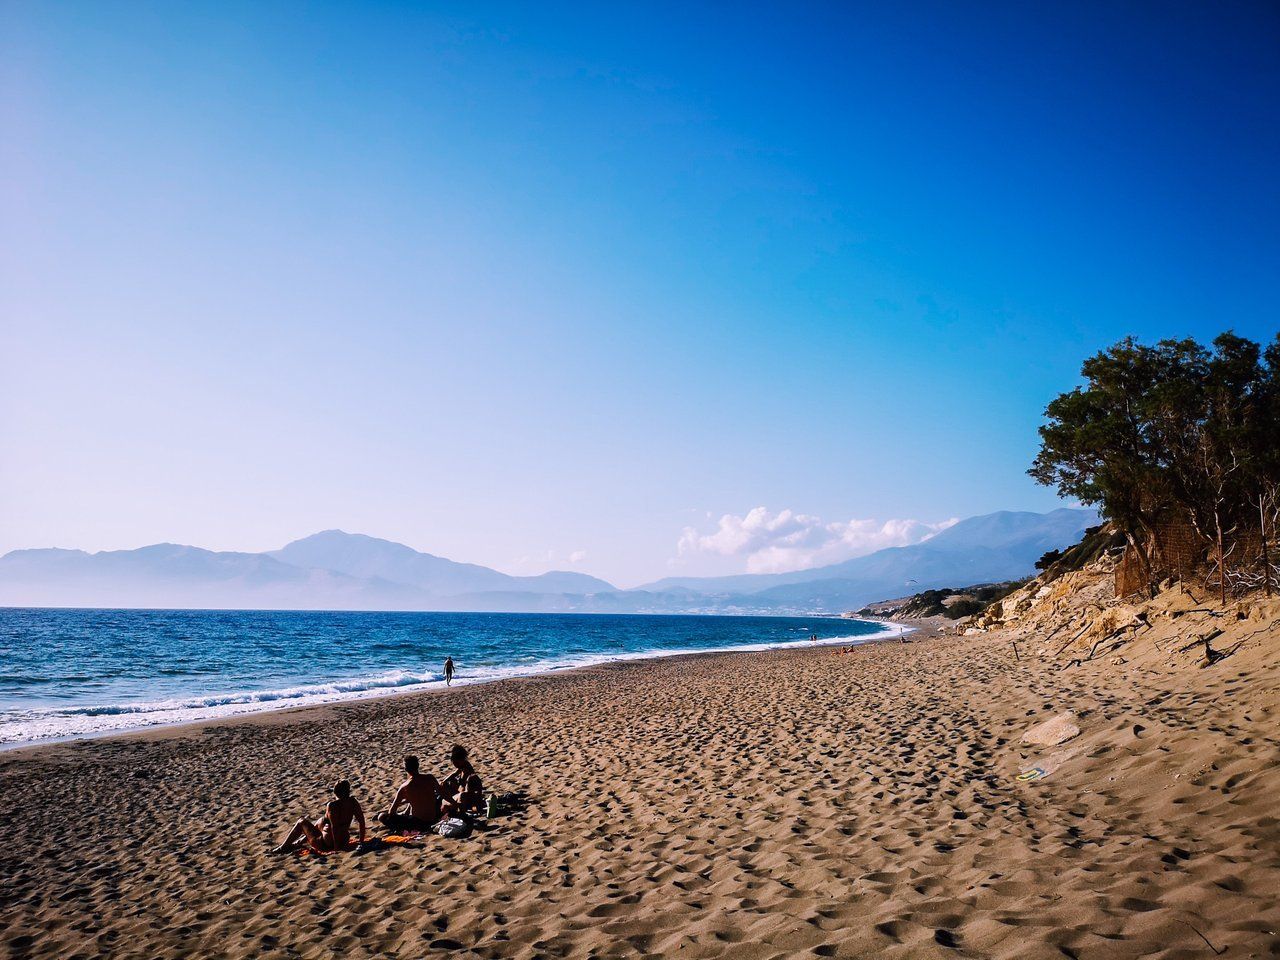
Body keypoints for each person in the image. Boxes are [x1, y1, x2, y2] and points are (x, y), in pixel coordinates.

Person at [274, 779, 366, 854]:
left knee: (301, 821)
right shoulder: (353, 802)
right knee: (320, 822)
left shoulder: (333, 805)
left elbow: (335, 827)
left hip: (327, 843)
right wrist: (361, 842)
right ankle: (298, 842)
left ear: (336, 793)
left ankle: (283, 847)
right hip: (344, 839)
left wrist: (336, 848)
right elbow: (361, 822)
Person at [377, 755, 442, 831]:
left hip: (418, 823)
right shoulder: (430, 778)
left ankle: (402, 820)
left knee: (381, 816)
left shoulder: (405, 786)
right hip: (433, 818)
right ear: (417, 766)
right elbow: (442, 793)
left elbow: (392, 812)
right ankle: (405, 813)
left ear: (405, 769)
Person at [440, 744, 484, 817]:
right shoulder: (462, 767)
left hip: (464, 798)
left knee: (444, 801)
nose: (455, 765)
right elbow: (454, 774)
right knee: (447, 784)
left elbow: (467, 792)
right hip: (461, 794)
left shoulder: (469, 772)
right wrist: (444, 781)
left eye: (456, 763)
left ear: (460, 760)